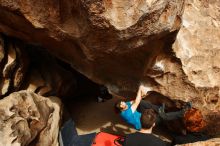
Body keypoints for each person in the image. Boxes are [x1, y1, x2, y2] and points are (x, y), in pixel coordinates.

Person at [115, 85, 189, 130]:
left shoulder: (126, 105)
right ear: (122, 110)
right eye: (124, 105)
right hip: (143, 124)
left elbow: (134, 101)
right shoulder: (127, 114)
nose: (125, 104)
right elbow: (136, 102)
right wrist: (140, 89)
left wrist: (142, 96)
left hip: (141, 115)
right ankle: (181, 113)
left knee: (142, 102)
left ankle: (159, 109)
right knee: (163, 116)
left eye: (123, 102)